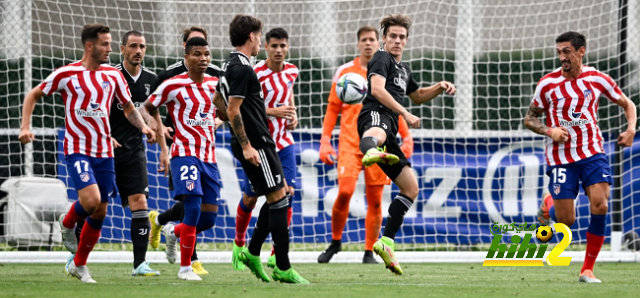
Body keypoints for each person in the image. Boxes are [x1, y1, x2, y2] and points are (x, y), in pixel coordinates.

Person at [18, 24, 156, 283]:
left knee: (100, 211)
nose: (110, 49)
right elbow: (33, 95)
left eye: (111, 43)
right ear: (90, 46)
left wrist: (145, 126)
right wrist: (25, 127)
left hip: (104, 151)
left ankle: (79, 264)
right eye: (105, 44)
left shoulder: (112, 76)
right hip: (77, 149)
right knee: (91, 201)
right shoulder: (67, 74)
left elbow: (127, 108)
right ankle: (68, 222)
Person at [526, 31, 636, 283]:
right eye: (559, 52)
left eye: (566, 51)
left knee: (601, 204)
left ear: (581, 51)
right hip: (561, 158)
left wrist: (631, 130)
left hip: (592, 153)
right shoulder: (547, 84)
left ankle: (587, 269)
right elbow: (529, 119)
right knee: (567, 220)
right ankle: (548, 204)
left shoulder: (597, 78)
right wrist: (549, 130)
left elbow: (628, 104)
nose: (562, 57)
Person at [356, 14, 455, 275]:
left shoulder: (404, 68)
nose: (397, 41)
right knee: (376, 133)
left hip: (390, 128)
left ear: (406, 40)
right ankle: (370, 152)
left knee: (411, 188)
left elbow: (418, 96)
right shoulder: (381, 58)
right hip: (375, 114)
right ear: (385, 38)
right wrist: (406, 114)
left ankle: (386, 242)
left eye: (402, 37)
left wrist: (439, 86)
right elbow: (377, 90)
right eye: (393, 36)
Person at [217, 14, 308, 284]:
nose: (261, 40)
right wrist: (246, 145)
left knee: (277, 196)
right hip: (257, 142)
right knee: (280, 199)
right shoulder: (244, 69)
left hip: (260, 141)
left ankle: (254, 252)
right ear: (253, 37)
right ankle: (282, 266)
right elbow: (232, 109)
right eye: (260, 35)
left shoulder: (230, 64)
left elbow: (217, 102)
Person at [317, 25, 414, 264]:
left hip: (379, 136)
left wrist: (407, 135)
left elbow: (393, 107)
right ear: (359, 43)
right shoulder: (345, 71)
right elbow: (332, 108)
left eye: (372, 39)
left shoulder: (392, 69)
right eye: (365, 40)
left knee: (376, 198)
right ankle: (335, 242)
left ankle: (370, 250)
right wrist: (325, 142)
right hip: (350, 142)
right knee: (346, 192)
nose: (369, 43)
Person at [139, 37, 222, 281]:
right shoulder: (173, 85)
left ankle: (173, 231)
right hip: (184, 154)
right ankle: (185, 269)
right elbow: (147, 107)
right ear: (186, 58)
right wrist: (156, 126)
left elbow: (227, 111)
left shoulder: (216, 85)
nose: (204, 58)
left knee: (208, 218)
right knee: (193, 206)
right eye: (197, 54)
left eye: (207, 54)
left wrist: (222, 118)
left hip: (209, 157)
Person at [232, 27, 299, 270]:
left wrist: (293, 114)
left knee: (287, 193)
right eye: (274, 46)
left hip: (283, 143)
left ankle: (274, 253)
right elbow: (248, 107)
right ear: (267, 47)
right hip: (260, 143)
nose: (279, 50)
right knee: (251, 198)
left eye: (283, 46)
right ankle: (240, 243)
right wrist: (274, 112)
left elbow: (288, 94)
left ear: (287, 47)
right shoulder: (255, 72)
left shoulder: (292, 70)